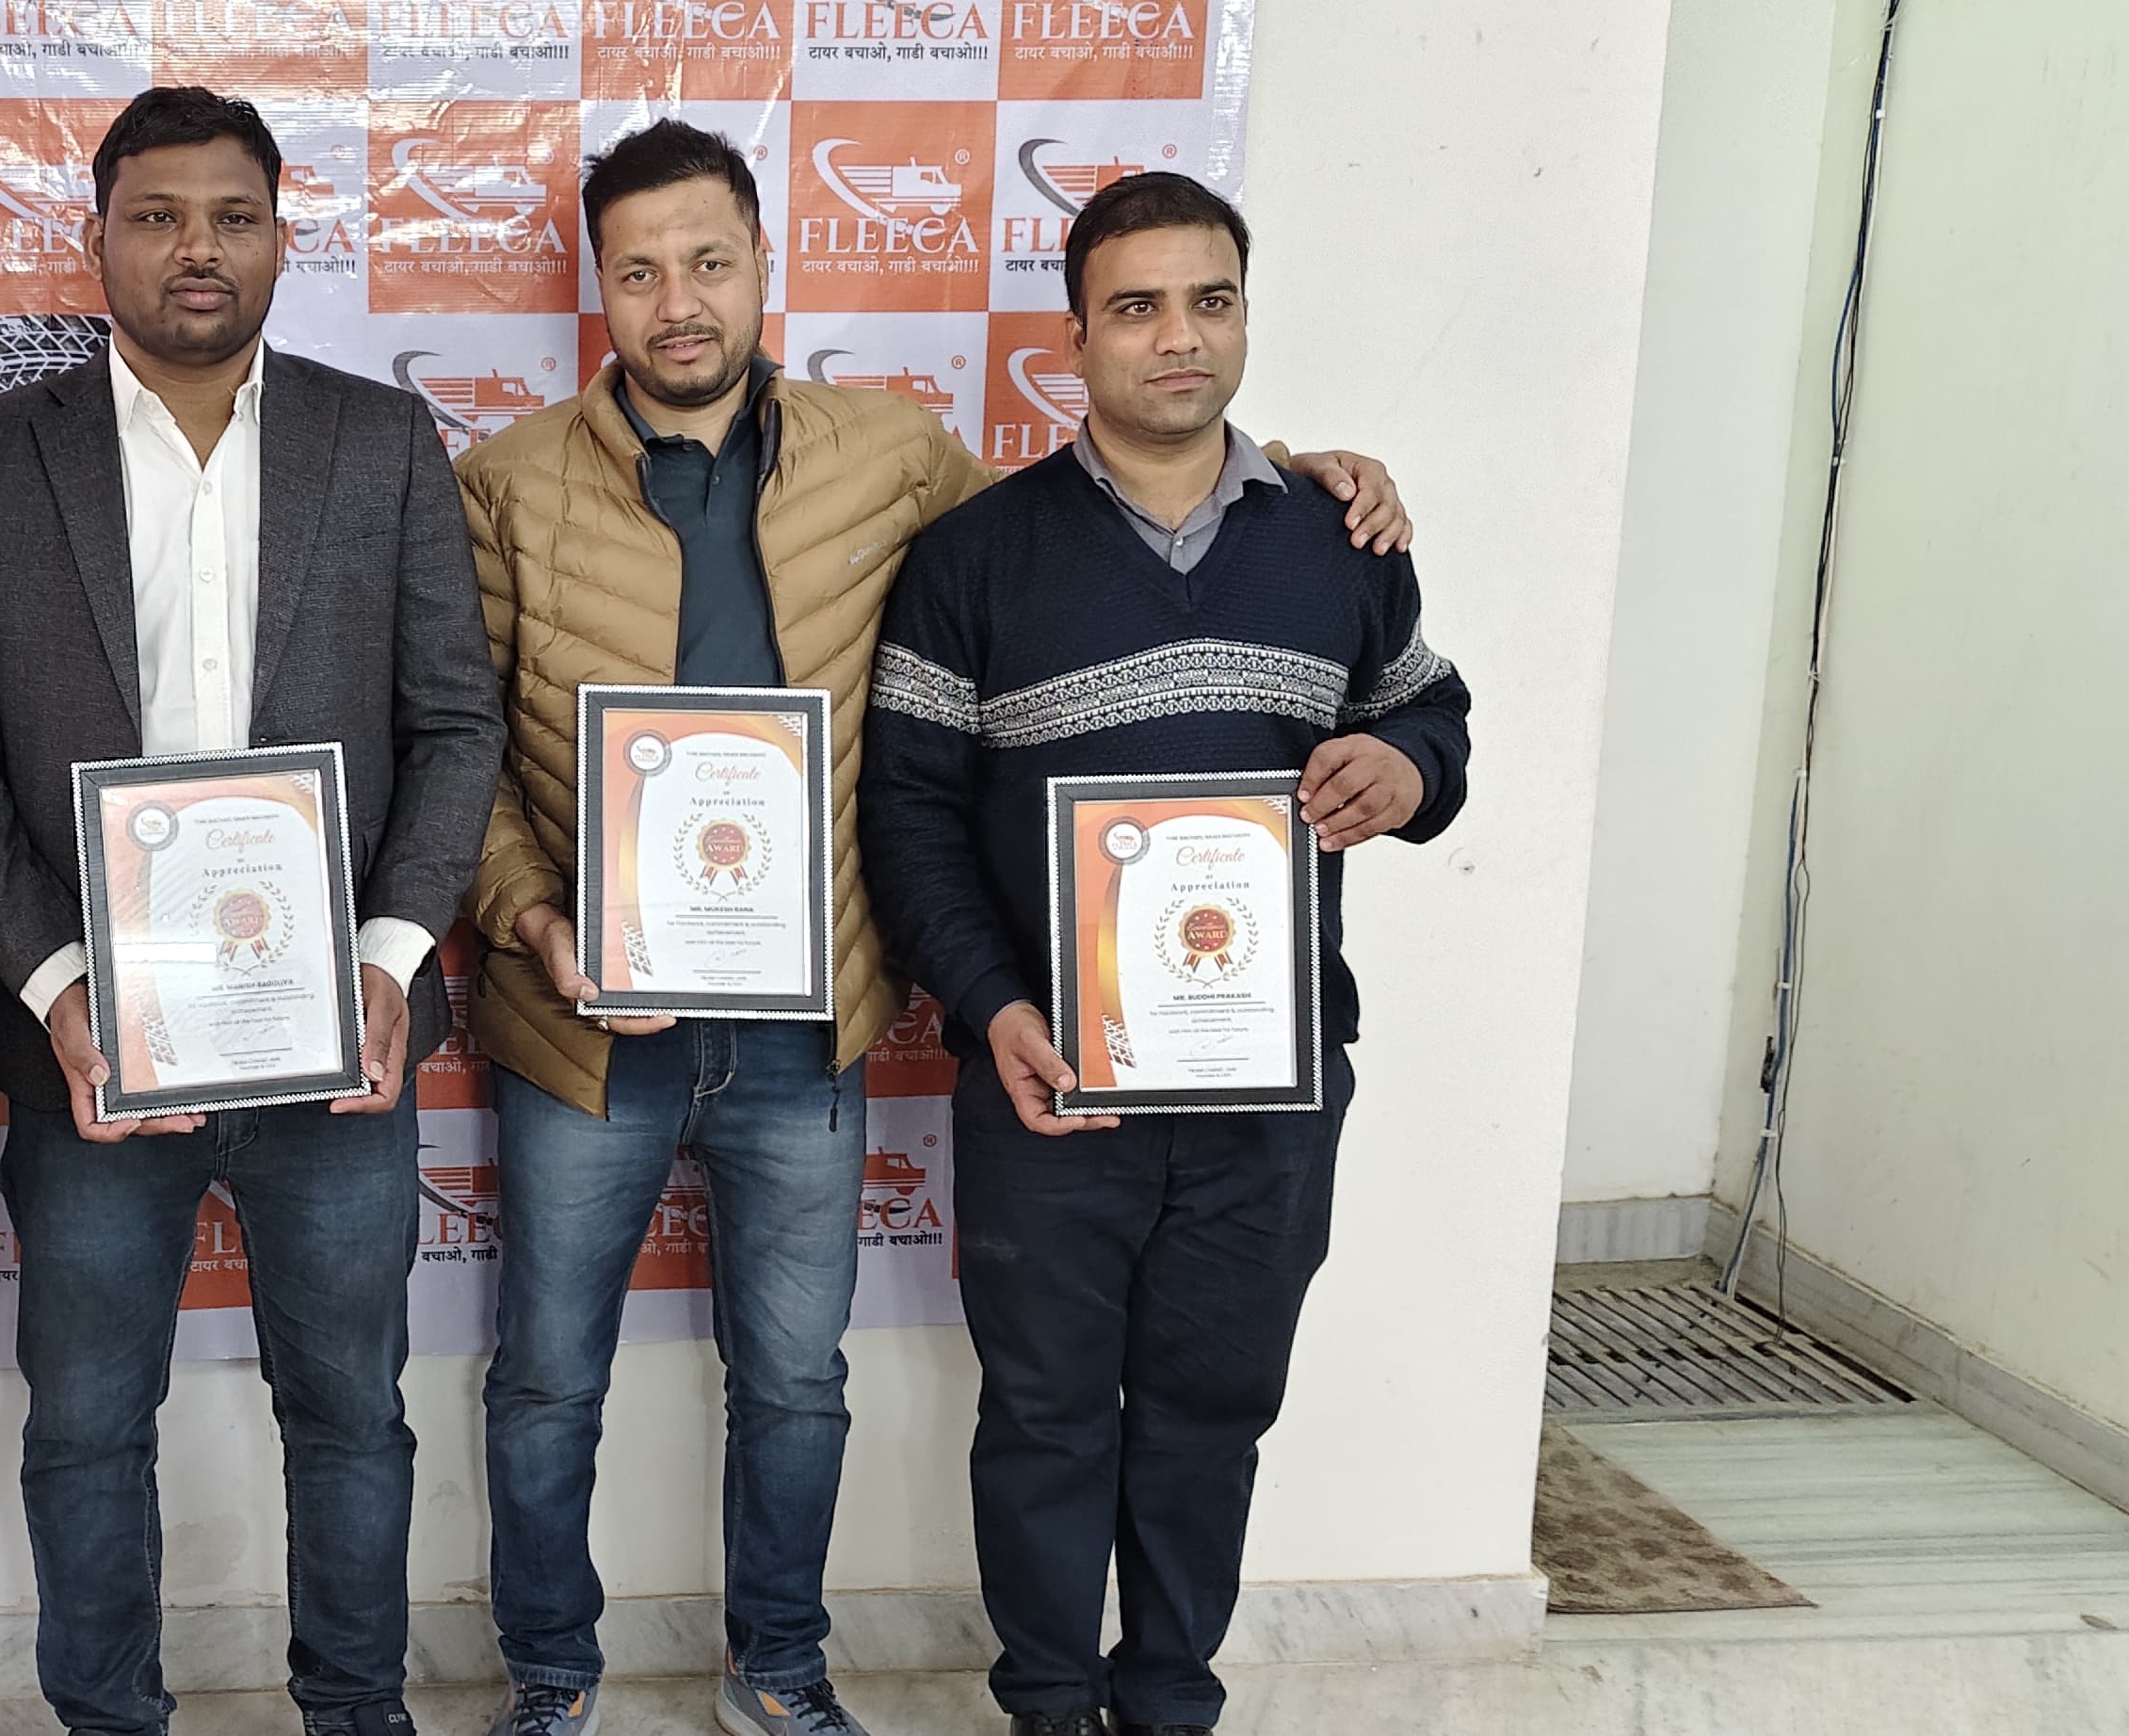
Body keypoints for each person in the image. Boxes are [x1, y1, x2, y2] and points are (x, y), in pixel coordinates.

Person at [453, 122, 1417, 1736]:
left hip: (812, 1022)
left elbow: (1114, 507)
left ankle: (779, 1671)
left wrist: (1303, 474)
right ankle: (552, 1677)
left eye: (710, 262)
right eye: (641, 271)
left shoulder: (897, 459)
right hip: (582, 1025)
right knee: (548, 1380)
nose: (680, 302)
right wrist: (532, 914)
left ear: (764, 267)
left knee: (798, 1383)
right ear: (598, 290)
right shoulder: (502, 483)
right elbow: (460, 746)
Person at [0, 86, 505, 1736]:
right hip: (86, 1052)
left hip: (339, 1043)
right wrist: (56, 986)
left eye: (232, 217)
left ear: (281, 239)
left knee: (353, 1414)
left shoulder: (378, 440)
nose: (197, 247)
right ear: (95, 237)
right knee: (88, 1425)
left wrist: (388, 960)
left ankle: (357, 1711)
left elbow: (456, 723)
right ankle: (111, 1719)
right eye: (158, 215)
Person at [860, 170, 1474, 1736]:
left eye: (1212, 301)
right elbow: (909, 820)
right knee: (1047, 1417)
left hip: (1271, 1091)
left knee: (1215, 1412)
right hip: (1052, 1084)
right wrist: (992, 1008)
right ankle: (1048, 1704)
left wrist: (1408, 770)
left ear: (1246, 316)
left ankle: (1171, 1699)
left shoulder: (1342, 539)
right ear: (1073, 340)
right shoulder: (976, 556)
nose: (1178, 337)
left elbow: (1431, 715)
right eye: (1135, 308)